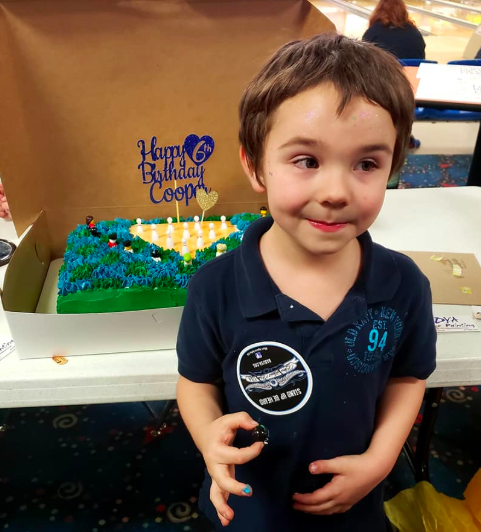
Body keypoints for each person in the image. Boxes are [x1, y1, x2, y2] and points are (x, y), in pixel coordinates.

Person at [176, 34, 436, 532]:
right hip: (248, 506)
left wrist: (381, 461)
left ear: (393, 170)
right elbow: (195, 381)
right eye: (307, 161)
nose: (336, 192)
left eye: (367, 164)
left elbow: (408, 377)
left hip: (353, 506)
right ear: (255, 166)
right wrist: (208, 434)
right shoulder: (216, 286)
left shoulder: (403, 284)